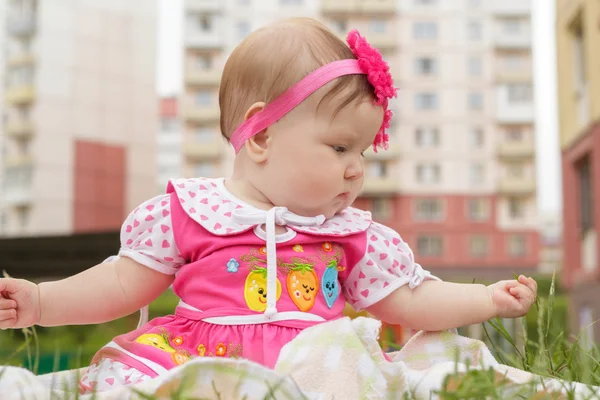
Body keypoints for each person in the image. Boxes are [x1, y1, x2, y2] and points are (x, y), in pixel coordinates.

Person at [0, 18, 537, 394]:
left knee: (370, 373)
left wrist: (487, 299)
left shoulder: (350, 234)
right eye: (339, 147)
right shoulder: (190, 212)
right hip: (199, 360)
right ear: (261, 138)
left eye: (363, 151)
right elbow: (120, 285)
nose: (356, 169)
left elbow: (412, 301)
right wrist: (41, 302)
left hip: (316, 366)